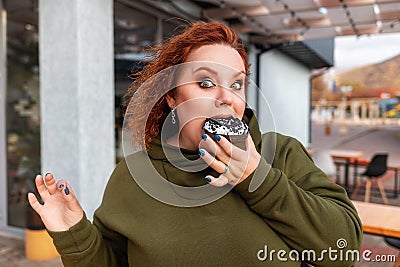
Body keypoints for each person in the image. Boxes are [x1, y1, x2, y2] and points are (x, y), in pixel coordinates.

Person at [28, 21, 362, 266]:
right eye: (205, 83)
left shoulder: (282, 155)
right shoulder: (133, 176)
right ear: (172, 96)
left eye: (237, 85)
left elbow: (344, 250)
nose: (225, 98)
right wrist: (73, 232)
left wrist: (257, 179)